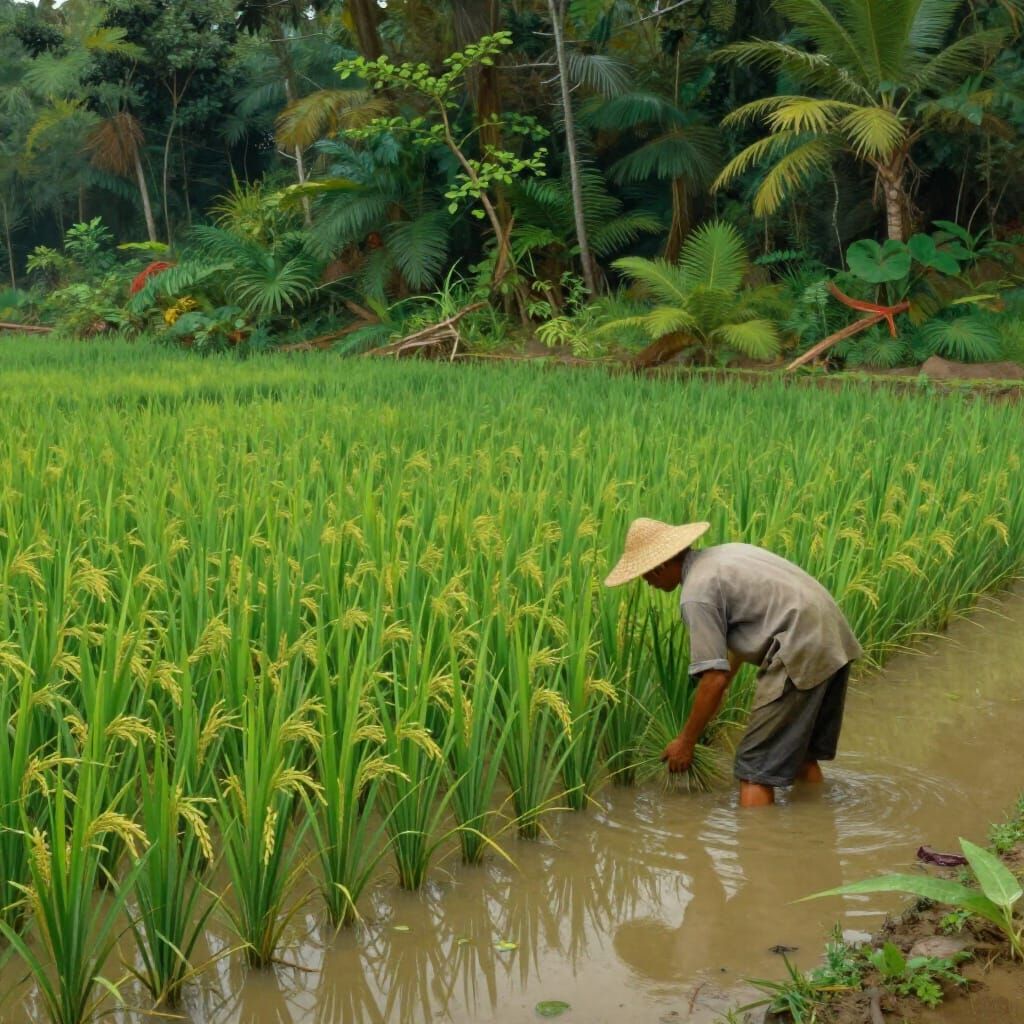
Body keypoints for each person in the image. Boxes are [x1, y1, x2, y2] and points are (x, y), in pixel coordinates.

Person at [604, 518, 862, 808]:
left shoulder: (696, 595)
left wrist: (686, 742)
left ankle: (756, 848)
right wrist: (726, 680)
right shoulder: (726, 554)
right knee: (800, 755)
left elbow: (712, 678)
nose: (646, 582)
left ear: (660, 565)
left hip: (799, 648)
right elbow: (750, 623)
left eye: (644, 574)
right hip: (834, 638)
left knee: (753, 770)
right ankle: (817, 827)